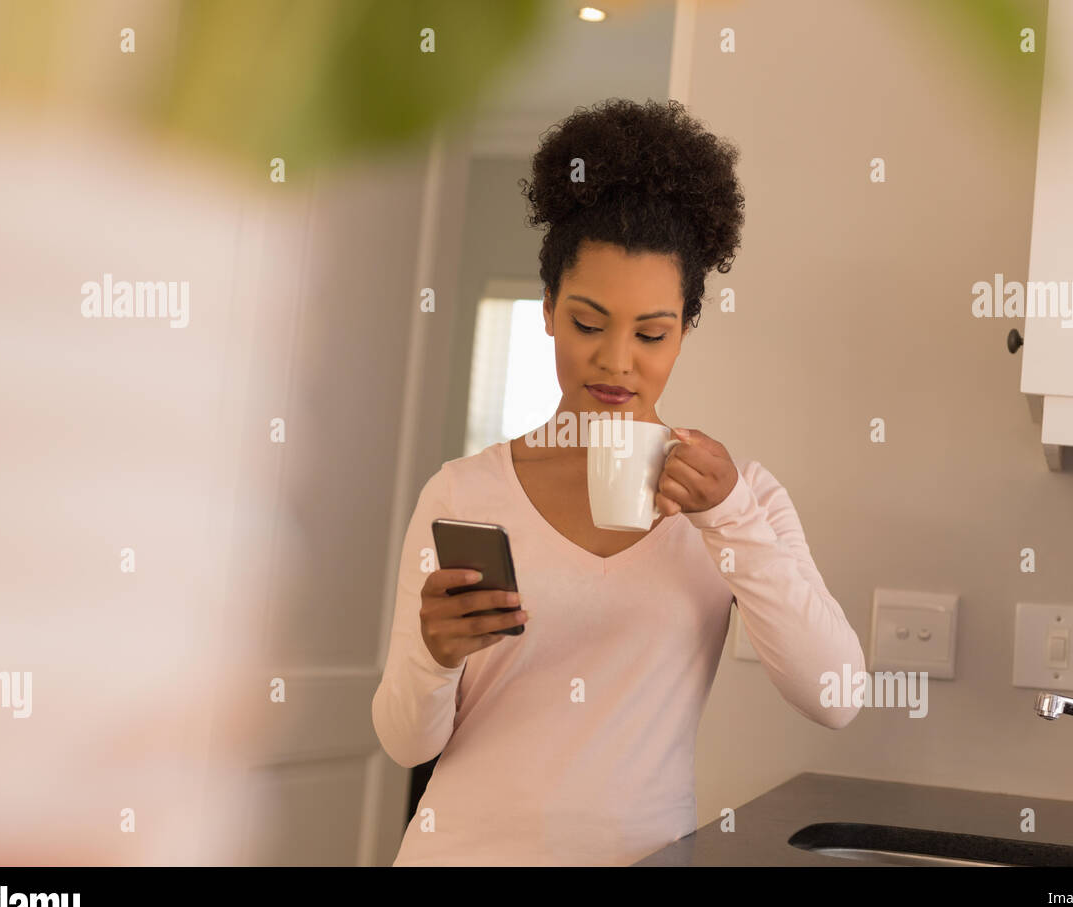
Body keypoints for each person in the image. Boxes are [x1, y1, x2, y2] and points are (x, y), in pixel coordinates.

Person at [371, 98, 865, 866]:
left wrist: (728, 513)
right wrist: (433, 656)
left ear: (686, 330)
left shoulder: (744, 500)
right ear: (546, 311)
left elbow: (836, 695)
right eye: (588, 323)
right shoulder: (462, 494)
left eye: (651, 333)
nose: (616, 361)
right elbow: (407, 744)